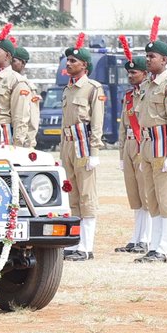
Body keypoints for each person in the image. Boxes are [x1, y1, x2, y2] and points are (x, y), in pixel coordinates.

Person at [134, 18, 167, 263]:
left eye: (152, 56)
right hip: (147, 145)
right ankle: (154, 246)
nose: (148, 59)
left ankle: (166, 247)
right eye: (147, 55)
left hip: (163, 144)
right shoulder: (147, 85)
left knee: (165, 198)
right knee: (151, 198)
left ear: (164, 60)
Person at [59, 34, 105, 261]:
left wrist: (94, 151)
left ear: (84, 65)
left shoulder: (93, 88)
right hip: (67, 144)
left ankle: (86, 246)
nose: (68, 64)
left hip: (83, 144)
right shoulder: (67, 89)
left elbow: (96, 122)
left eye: (73, 61)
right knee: (71, 194)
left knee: (86, 195)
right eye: (67, 60)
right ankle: (74, 243)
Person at [114, 36, 152, 254]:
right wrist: (121, 155)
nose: (130, 76)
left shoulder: (147, 94)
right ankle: (136, 236)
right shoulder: (129, 96)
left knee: (146, 193)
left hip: (142, 144)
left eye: (134, 72)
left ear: (144, 74)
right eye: (128, 73)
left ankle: (145, 238)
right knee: (134, 194)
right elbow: (122, 127)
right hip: (129, 144)